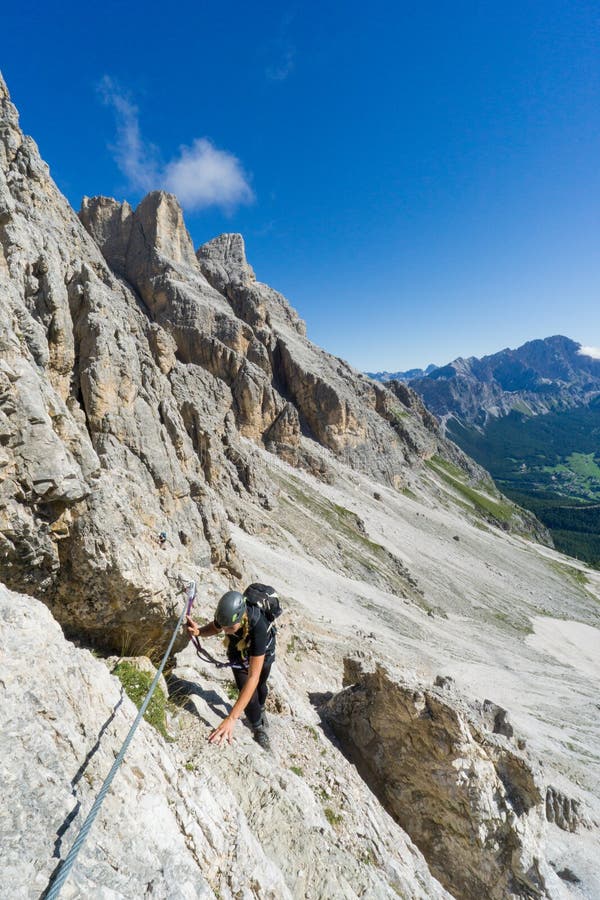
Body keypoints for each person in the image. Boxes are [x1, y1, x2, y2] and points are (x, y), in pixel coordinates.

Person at [186, 590, 275, 750]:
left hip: (263, 652)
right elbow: (215, 627)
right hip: (237, 650)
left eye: (230, 627)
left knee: (260, 685)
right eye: (224, 627)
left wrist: (231, 718)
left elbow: (253, 677)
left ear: (242, 617)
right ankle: (258, 728)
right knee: (247, 695)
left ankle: (261, 709)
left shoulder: (258, 626)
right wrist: (198, 632)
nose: (225, 631)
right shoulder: (227, 617)